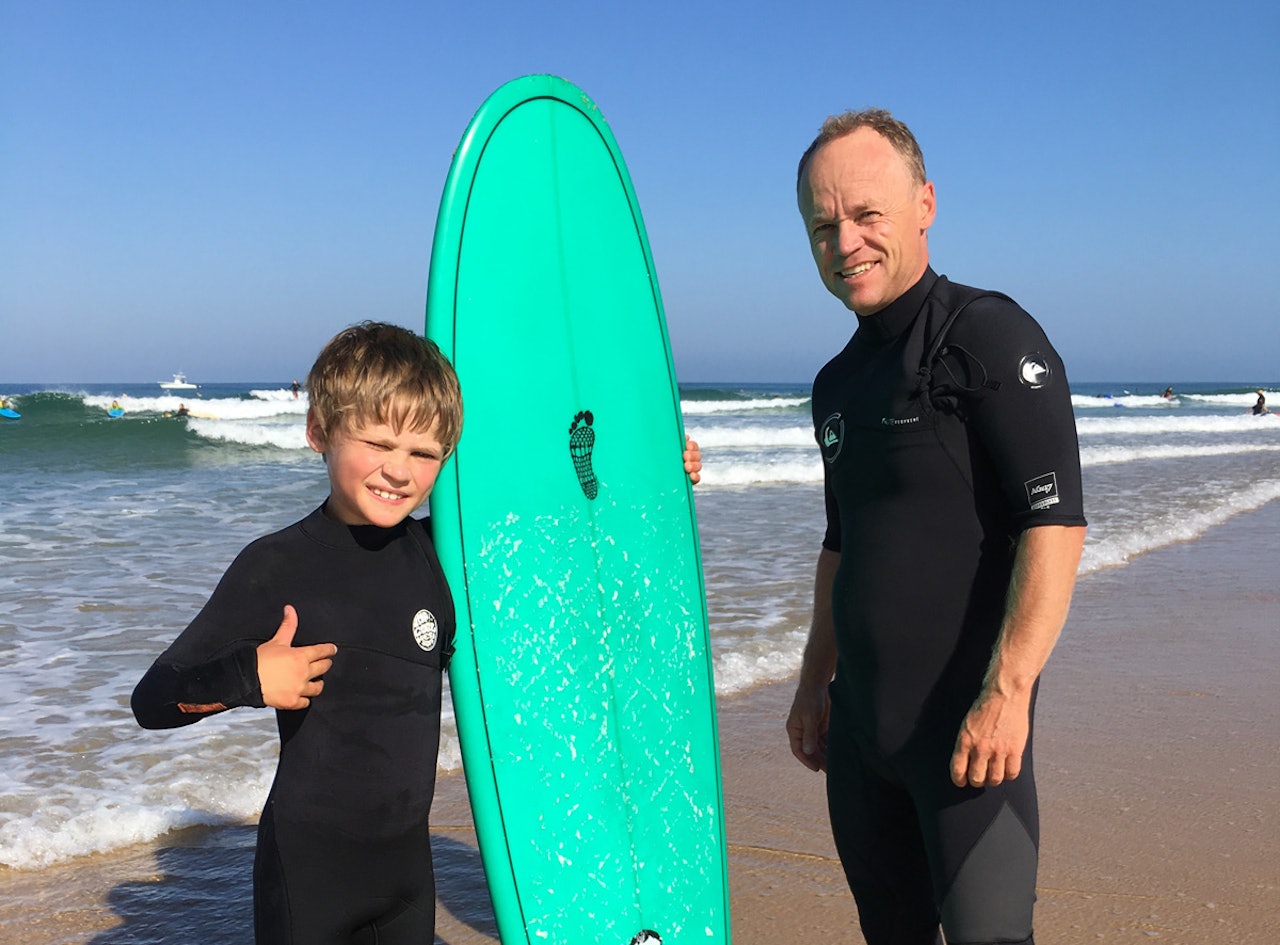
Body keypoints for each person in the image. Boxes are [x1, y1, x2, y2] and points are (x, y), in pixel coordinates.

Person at [133, 321, 702, 943]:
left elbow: (566, 535)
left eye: (424, 453)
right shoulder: (276, 566)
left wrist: (657, 475)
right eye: (377, 442)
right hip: (309, 870)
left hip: (407, 870)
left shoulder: (443, 554)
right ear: (319, 431)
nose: (399, 472)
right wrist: (252, 677)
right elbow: (155, 698)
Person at [785, 110, 1087, 945]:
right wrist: (815, 681)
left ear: (924, 203)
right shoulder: (836, 383)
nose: (844, 241)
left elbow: (1054, 520)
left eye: (866, 214)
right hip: (861, 739)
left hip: (968, 739)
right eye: (823, 225)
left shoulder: (987, 337)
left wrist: (1010, 691)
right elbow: (842, 543)